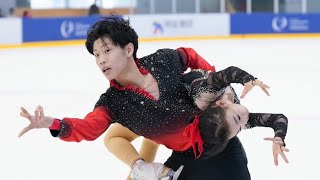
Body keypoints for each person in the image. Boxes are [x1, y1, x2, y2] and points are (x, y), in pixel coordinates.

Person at [18, 15, 214, 180]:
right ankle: (144, 171)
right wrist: (54, 123)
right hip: (176, 141)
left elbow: (189, 55)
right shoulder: (113, 101)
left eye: (107, 51)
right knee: (129, 132)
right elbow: (90, 127)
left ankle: (143, 170)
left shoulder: (162, 61)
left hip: (207, 136)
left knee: (148, 126)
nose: (101, 59)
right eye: (96, 55)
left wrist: (216, 82)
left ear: (129, 50)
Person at [105, 68, 289, 180]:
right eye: (239, 122)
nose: (244, 120)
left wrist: (279, 137)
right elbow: (228, 73)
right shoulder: (201, 96)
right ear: (221, 103)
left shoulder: (227, 118)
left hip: (209, 143)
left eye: (239, 127)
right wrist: (139, 168)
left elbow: (277, 119)